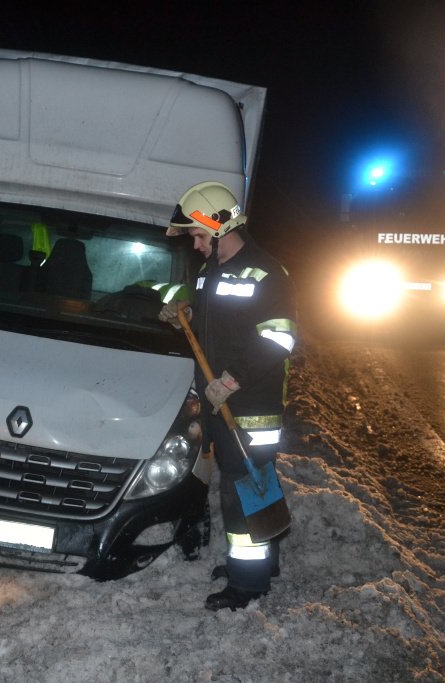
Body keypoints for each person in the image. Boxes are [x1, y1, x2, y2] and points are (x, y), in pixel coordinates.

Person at [159, 181, 298, 611]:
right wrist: (181, 310)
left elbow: (278, 339)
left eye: (199, 235)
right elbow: (211, 324)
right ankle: (263, 562)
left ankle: (247, 583)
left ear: (220, 227)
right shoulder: (210, 271)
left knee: (240, 493)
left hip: (251, 408)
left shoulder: (266, 273)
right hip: (220, 402)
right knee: (255, 485)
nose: (195, 245)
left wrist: (231, 381)